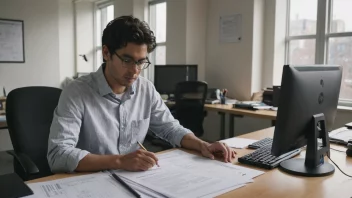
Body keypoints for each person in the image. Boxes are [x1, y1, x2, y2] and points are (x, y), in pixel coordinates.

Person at [47, 15, 236, 173]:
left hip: (135, 179)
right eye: (127, 60)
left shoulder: (145, 88)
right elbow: (58, 154)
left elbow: (170, 128)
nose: (135, 71)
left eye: (141, 62)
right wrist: (120, 161)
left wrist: (202, 145)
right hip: (89, 181)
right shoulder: (76, 92)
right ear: (106, 53)